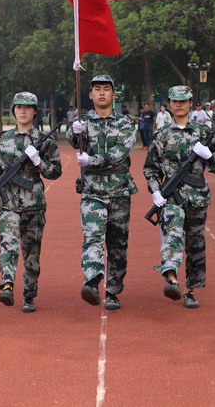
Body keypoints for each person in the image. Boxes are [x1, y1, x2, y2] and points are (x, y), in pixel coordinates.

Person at [143, 85, 215, 309]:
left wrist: (208, 155)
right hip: (171, 197)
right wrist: (155, 190)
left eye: (183, 101)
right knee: (172, 233)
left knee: (195, 243)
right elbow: (150, 168)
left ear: (190, 103)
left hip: (197, 198)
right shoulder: (161, 135)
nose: (178, 104)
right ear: (169, 104)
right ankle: (171, 277)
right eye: (174, 101)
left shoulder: (202, 132)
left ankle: (190, 289)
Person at [0, 92, 62, 312]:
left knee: (31, 253)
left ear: (35, 111)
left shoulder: (45, 141)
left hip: (34, 204)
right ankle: (7, 284)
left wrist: (39, 162)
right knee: (9, 243)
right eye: (18, 107)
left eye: (27, 107)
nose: (22, 111)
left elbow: (55, 173)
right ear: (13, 110)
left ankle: (29, 295)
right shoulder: (2, 140)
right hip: (7, 203)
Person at [67, 74, 138, 310]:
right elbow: (73, 142)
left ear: (114, 94)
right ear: (90, 95)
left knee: (118, 244)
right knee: (92, 237)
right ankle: (93, 279)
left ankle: (113, 290)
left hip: (119, 190)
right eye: (97, 89)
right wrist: (73, 130)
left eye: (106, 89)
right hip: (92, 191)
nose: (101, 93)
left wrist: (92, 159)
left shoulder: (126, 123)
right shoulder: (84, 121)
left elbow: (121, 152)